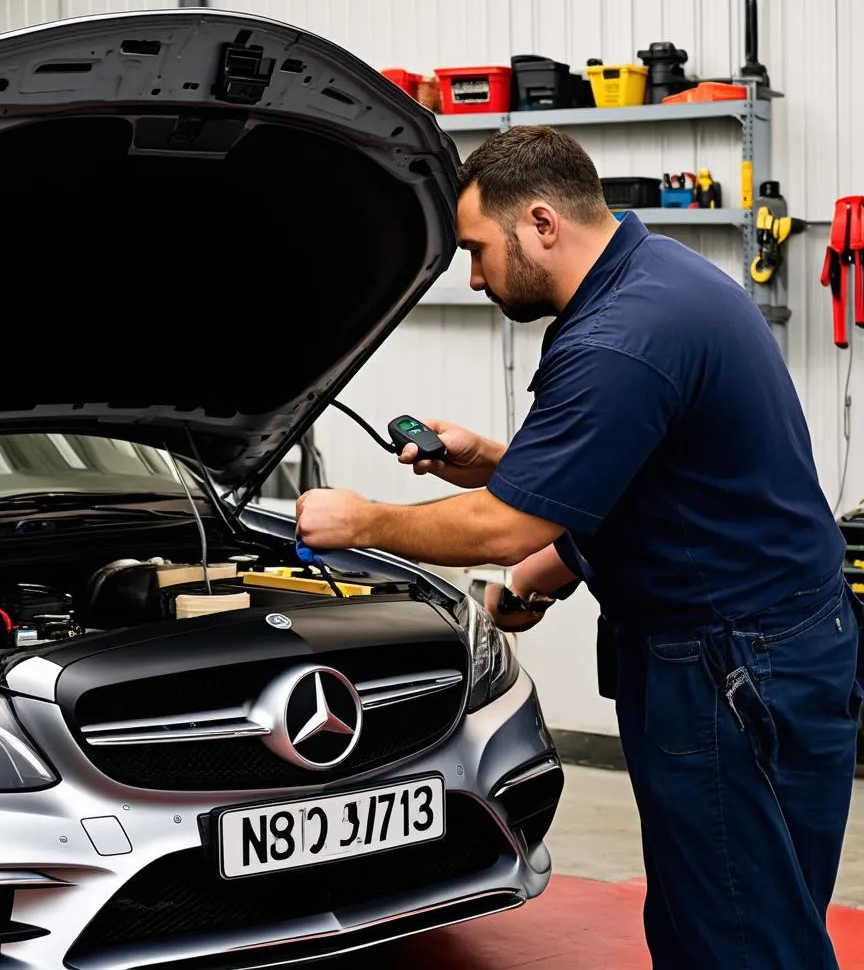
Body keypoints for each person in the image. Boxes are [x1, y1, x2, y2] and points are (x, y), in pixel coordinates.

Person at [295, 124, 864, 969]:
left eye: (479, 250)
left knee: (738, 939)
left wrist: (362, 520)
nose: (475, 276)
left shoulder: (616, 340)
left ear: (540, 224)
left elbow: (506, 527)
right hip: (784, 646)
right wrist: (502, 475)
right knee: (748, 913)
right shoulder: (662, 278)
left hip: (725, 671)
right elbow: (659, 476)